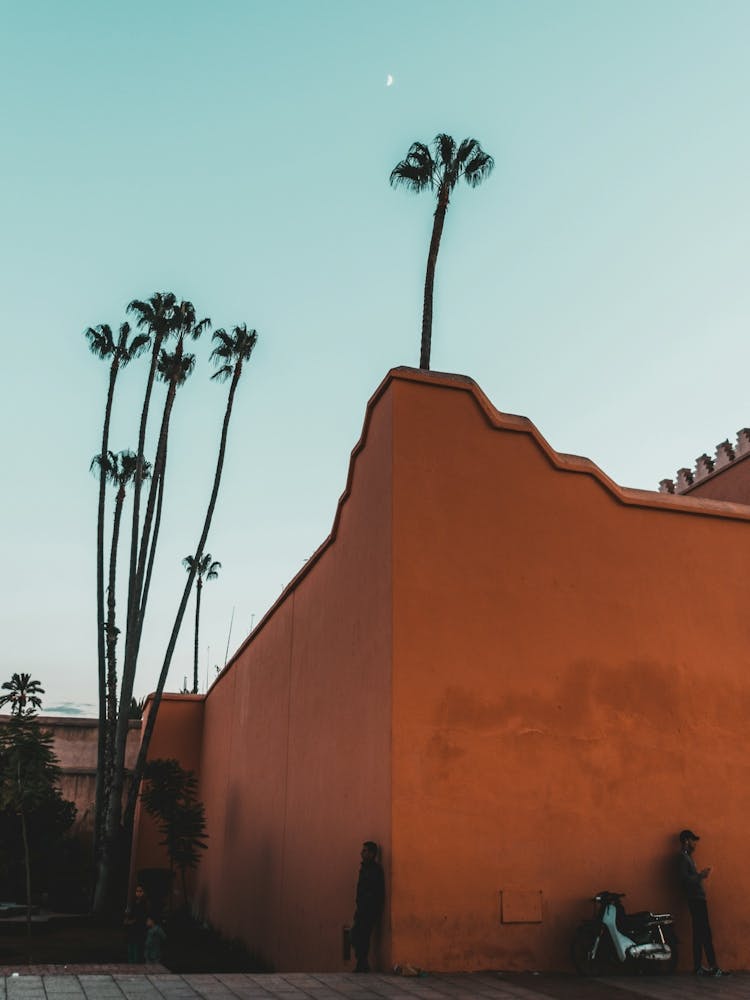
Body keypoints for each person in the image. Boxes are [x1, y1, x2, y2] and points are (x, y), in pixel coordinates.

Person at [678, 829, 730, 977]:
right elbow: (684, 880)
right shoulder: (683, 858)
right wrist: (701, 875)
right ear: (686, 841)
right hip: (696, 899)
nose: (695, 844)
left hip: (696, 899)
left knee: (699, 933)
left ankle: (698, 967)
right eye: (693, 840)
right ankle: (713, 967)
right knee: (705, 933)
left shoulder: (687, 857)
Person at [351, 840, 385, 973]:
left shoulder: (375, 870)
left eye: (365, 851)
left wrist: (371, 906)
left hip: (369, 909)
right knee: (356, 935)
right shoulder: (365, 868)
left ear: (372, 853)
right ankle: (362, 963)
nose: (362, 853)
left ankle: (362, 963)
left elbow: (377, 891)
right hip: (362, 908)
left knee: (362, 936)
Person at [124, 883, 149, 964]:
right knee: (130, 947)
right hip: (132, 929)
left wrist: (132, 921)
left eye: (140, 891)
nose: (138, 893)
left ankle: (136, 964)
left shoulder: (145, 903)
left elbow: (142, 916)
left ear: (143, 892)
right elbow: (130, 913)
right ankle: (131, 963)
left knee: (137, 948)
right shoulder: (134, 902)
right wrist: (127, 919)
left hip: (139, 928)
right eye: (137, 891)